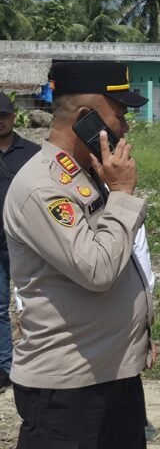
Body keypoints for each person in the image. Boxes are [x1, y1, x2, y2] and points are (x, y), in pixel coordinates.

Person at [5, 61, 153, 448]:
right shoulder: (43, 186)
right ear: (87, 117)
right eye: (119, 115)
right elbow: (98, 270)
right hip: (69, 387)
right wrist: (122, 195)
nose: (125, 127)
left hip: (111, 371)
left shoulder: (85, 174)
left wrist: (137, 334)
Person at [0, 93, 40, 394]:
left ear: (14, 117)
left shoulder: (33, 153)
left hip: (28, 243)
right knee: (0, 308)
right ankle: (5, 367)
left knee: (38, 304)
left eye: (4, 115)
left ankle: (38, 364)